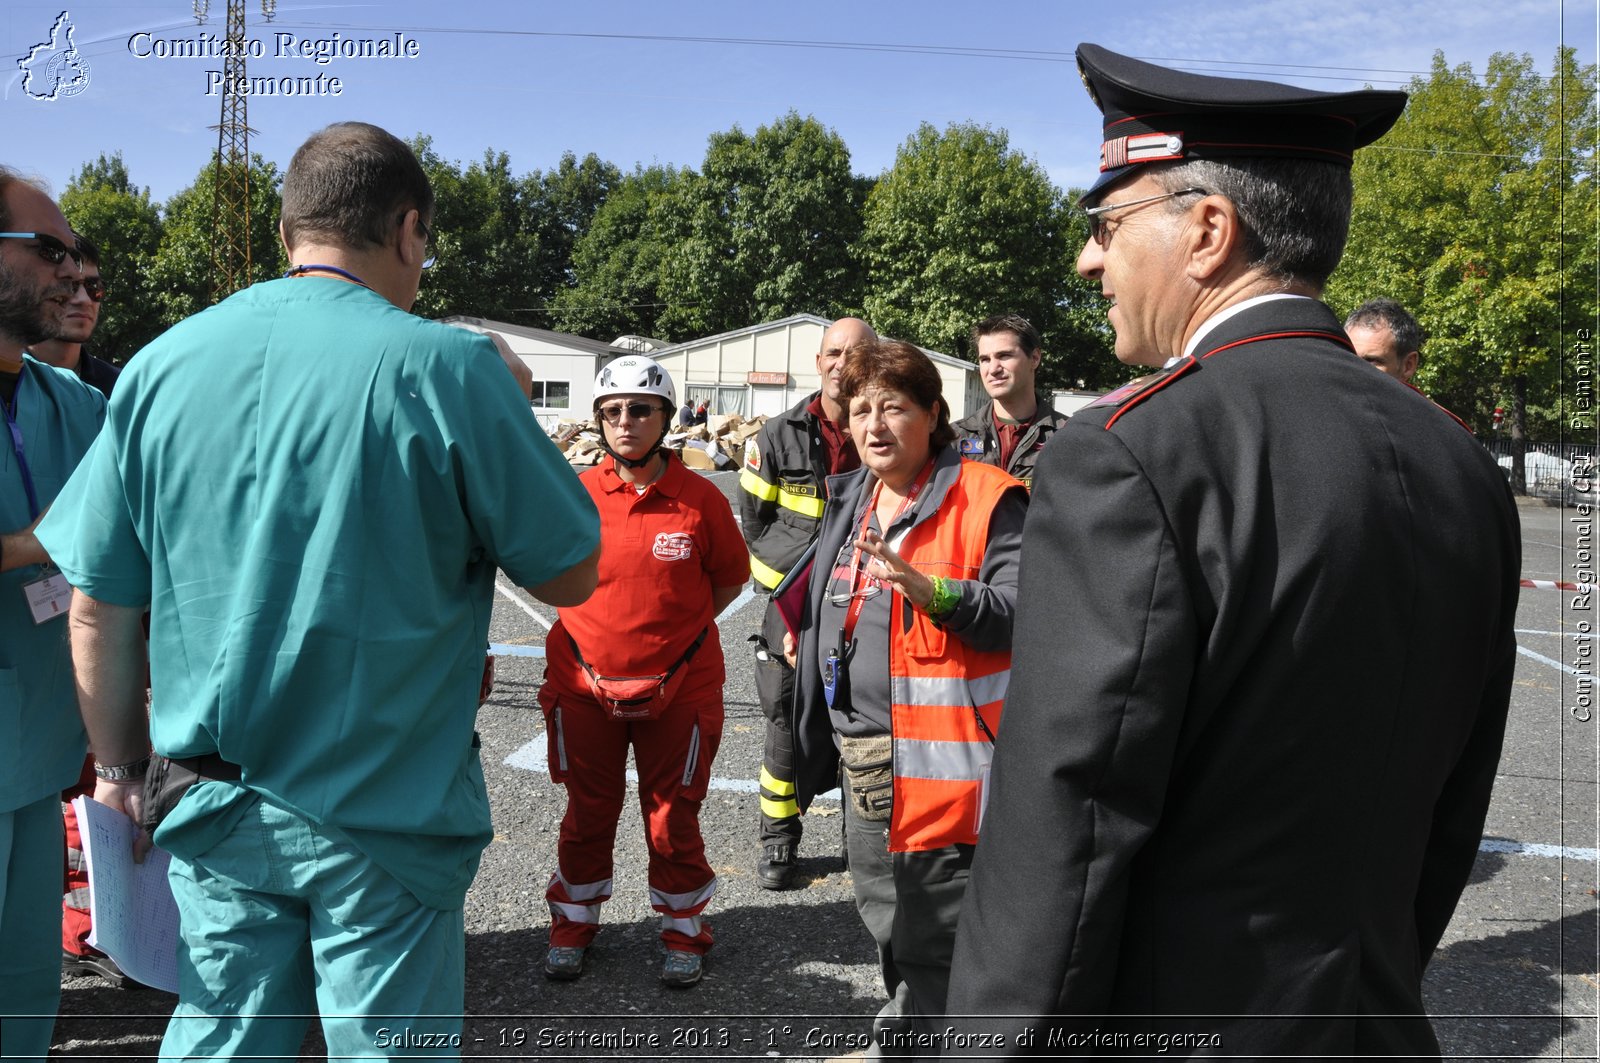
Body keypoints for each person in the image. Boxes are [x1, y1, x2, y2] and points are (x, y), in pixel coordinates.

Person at [946, 46, 1521, 1058]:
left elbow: (1067, 823)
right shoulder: (1459, 465)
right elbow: (1446, 817)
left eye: (1107, 223)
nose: (1088, 259)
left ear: (1207, 231)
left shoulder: (1135, 451)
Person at [35, 122, 601, 1059]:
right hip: (390, 809)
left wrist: (117, 769)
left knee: (223, 1037)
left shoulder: (159, 369)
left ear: (293, 225)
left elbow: (98, 604)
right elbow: (570, 570)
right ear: (409, 229)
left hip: (213, 801)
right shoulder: (450, 368)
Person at [787, 339, 1026, 1056]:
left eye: (893, 406)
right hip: (864, 761)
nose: (874, 424)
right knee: (888, 918)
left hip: (941, 767)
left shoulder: (986, 496)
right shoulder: (854, 493)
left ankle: (937, 1044)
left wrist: (938, 593)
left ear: (933, 412)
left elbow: (1024, 610)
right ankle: (916, 1036)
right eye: (861, 409)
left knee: (939, 935)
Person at [539, 354, 748, 988]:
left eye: (639, 409)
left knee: (672, 814)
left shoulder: (701, 500)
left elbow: (729, 580)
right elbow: (546, 569)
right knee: (589, 810)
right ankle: (573, 923)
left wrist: (667, 646)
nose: (625, 421)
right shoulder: (573, 495)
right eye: (611, 411)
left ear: (666, 417)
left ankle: (685, 931)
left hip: (680, 691)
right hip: (582, 686)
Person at [0, 171, 108, 1061]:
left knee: (25, 987)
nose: (71, 273)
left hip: (33, 751)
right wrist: (33, 544)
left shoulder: (70, 402)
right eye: (50, 251)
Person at [27, 231, 131, 989]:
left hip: (91, 636)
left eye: (94, 286)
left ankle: (112, 923)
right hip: (31, 643)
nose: (80, 295)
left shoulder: (110, 396)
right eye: (63, 276)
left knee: (107, 784)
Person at [742, 316, 875, 890]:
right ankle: (779, 843)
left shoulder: (886, 429)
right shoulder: (775, 436)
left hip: (867, 605)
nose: (842, 362)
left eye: (856, 353)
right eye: (833, 352)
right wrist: (799, 611)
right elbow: (756, 528)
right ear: (818, 362)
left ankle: (863, 841)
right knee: (784, 723)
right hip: (791, 611)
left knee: (866, 720)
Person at [951, 314, 1069, 489]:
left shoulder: (1068, 437)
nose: (993, 369)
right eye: (985, 359)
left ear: (1035, 358)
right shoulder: (953, 438)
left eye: (1004, 356)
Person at [29, 233, 119, 398]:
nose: (84, 299)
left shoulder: (120, 388)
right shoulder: (8, 378)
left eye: (94, 286)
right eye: (68, 284)